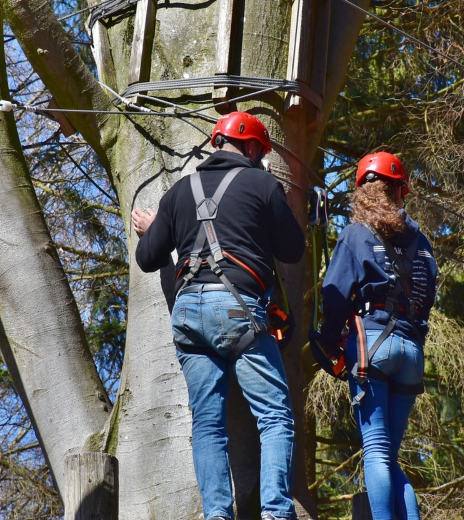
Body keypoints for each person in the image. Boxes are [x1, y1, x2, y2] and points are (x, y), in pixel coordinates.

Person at [132, 111, 305, 520]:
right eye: (260, 153)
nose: (260, 160)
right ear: (250, 147)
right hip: (237, 307)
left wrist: (158, 229)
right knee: (276, 416)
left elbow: (147, 257)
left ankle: (217, 515)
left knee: (207, 423)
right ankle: (277, 513)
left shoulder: (178, 192)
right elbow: (293, 250)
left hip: (189, 311)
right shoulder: (263, 184)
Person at [310, 152, 437, 520]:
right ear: (400, 191)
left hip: (372, 345)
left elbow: (334, 292)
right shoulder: (423, 243)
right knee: (389, 455)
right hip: (410, 349)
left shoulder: (356, 235)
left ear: (363, 191)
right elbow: (428, 295)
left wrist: (331, 339)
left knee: (378, 451)